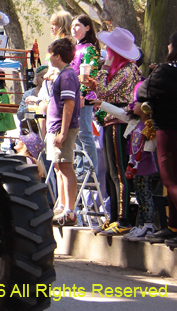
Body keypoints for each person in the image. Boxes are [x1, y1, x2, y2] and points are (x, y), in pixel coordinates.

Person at [86, 27, 143, 236]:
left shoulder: (126, 70)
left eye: (110, 49)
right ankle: (113, 217)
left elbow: (104, 91)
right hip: (111, 120)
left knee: (119, 172)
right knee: (112, 172)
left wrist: (103, 69)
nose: (107, 52)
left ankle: (123, 218)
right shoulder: (123, 70)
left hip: (119, 121)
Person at [136, 30, 177, 245]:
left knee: (170, 179)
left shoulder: (165, 70)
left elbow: (143, 92)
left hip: (168, 130)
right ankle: (172, 226)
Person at [45, 38, 80, 226]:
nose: (49, 57)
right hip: (55, 127)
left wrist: (63, 133)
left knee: (65, 166)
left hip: (62, 127)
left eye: (51, 54)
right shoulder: (61, 74)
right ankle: (61, 205)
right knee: (58, 167)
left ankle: (70, 210)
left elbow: (69, 104)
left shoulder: (67, 76)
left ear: (58, 56)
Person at [70, 15, 102, 171]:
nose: (73, 28)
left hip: (84, 96)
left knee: (84, 133)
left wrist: (82, 93)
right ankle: (81, 166)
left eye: (77, 25)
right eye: (72, 25)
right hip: (71, 95)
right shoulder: (73, 48)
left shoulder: (90, 48)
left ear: (87, 27)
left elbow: (91, 73)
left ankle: (91, 168)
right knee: (75, 133)